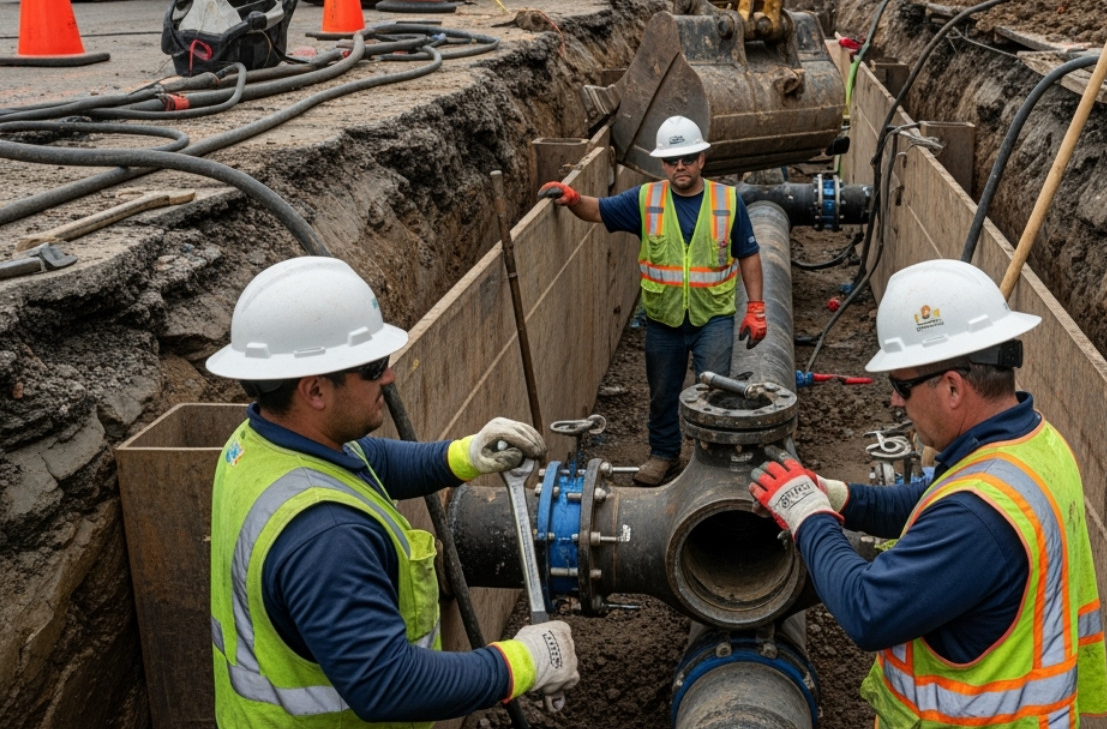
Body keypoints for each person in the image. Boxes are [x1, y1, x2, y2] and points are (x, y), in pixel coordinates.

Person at [206, 256, 579, 726]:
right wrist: (523, 663)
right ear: (315, 391)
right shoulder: (327, 537)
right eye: (373, 366)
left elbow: (372, 461)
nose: (390, 376)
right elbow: (389, 684)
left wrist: (466, 455)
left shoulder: (256, 442)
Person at [750, 259, 1107, 728]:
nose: (895, 401)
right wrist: (838, 497)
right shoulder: (1031, 444)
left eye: (901, 385)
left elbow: (868, 610)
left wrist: (809, 517)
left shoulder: (977, 519)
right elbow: (928, 503)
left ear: (954, 388)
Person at [542, 115, 765, 486]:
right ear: (662, 164)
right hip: (664, 319)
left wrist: (756, 307)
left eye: (688, 158)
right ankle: (664, 455)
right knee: (663, 393)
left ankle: (710, 460)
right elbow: (598, 210)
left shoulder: (728, 201)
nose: (681, 166)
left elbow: (749, 254)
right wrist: (573, 199)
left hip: (713, 317)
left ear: (702, 160)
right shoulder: (647, 199)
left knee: (715, 393)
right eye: (673, 160)